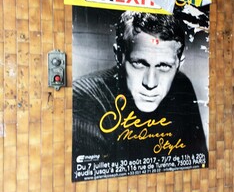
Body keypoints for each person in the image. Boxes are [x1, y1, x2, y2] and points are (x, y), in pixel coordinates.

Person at [73, 9, 209, 172]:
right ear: (119, 56)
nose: (150, 83)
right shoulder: (84, 96)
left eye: (164, 66)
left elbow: (198, 164)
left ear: (179, 63)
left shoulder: (181, 85)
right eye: (139, 63)